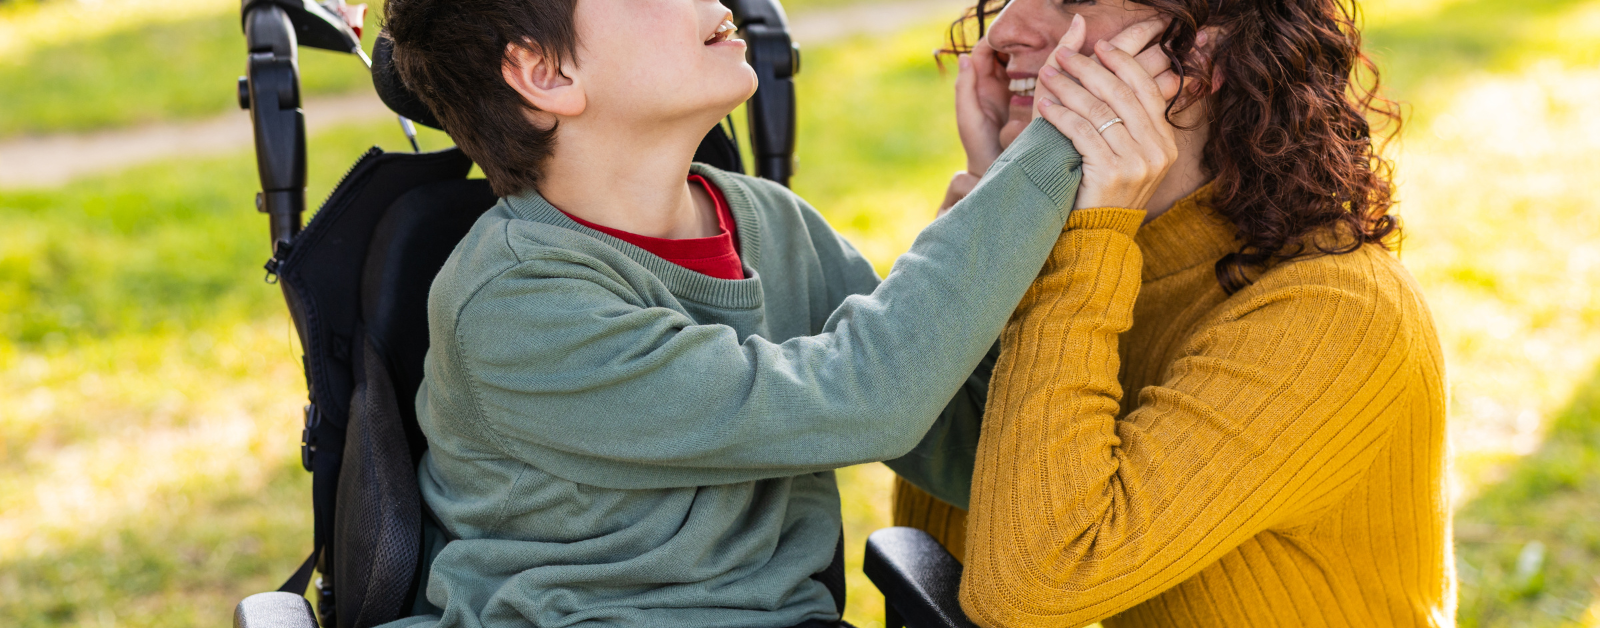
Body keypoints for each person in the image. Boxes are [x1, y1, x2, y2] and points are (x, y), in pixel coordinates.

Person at [375, 0, 1180, 626]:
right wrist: (1062, 142)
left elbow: (964, 445)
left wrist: (995, 184)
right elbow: (863, 396)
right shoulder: (515, 305)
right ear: (546, 74)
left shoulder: (769, 223)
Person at [894, 0, 1452, 626]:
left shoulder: (1336, 316)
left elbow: (1029, 587)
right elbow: (944, 552)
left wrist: (1075, 235)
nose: (1003, 33)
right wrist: (997, 215)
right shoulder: (1095, 258)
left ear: (1197, 59)